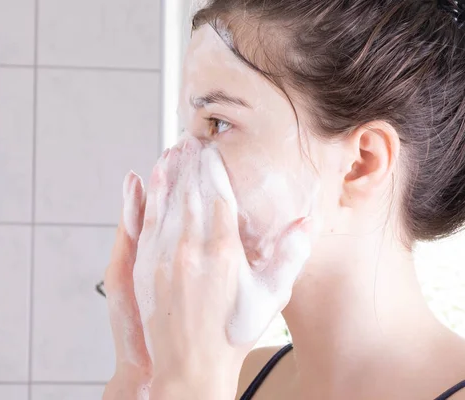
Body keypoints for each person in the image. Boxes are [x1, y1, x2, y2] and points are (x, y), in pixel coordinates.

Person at [103, 1, 465, 399]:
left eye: (218, 123)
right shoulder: (238, 379)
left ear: (360, 164)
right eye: (186, 131)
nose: (174, 169)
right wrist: (141, 374)